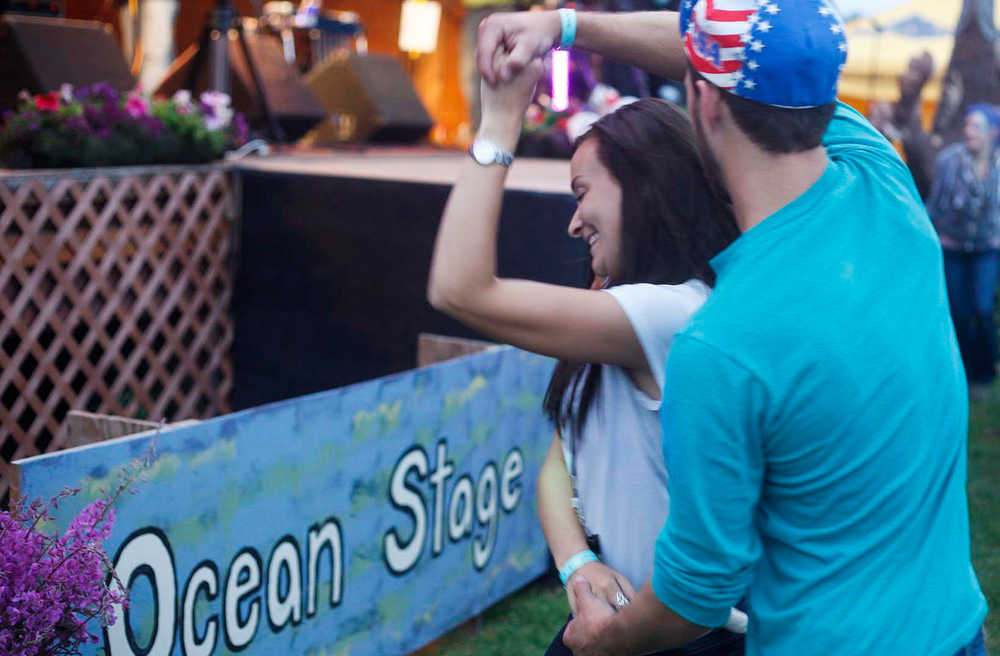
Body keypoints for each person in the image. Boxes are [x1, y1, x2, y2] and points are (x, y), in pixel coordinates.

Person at [474, 2, 989, 655]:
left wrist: (596, 644)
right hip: (956, 634)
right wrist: (565, 30)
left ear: (704, 102)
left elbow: (692, 597)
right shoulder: (882, 182)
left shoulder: (721, 344)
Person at [426, 49, 743, 655]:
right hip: (626, 620)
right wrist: (577, 566)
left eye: (581, 192)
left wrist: (498, 125)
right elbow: (556, 463)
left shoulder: (675, 314)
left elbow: (457, 288)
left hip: (692, 638)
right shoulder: (622, 305)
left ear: (645, 188)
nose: (574, 224)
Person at [927, 104, 1000, 397]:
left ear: (992, 132)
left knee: (982, 309)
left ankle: (983, 374)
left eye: (975, 126)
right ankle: (957, 372)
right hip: (952, 245)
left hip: (986, 248)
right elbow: (936, 203)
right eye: (967, 125)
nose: (968, 132)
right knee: (957, 310)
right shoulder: (950, 160)